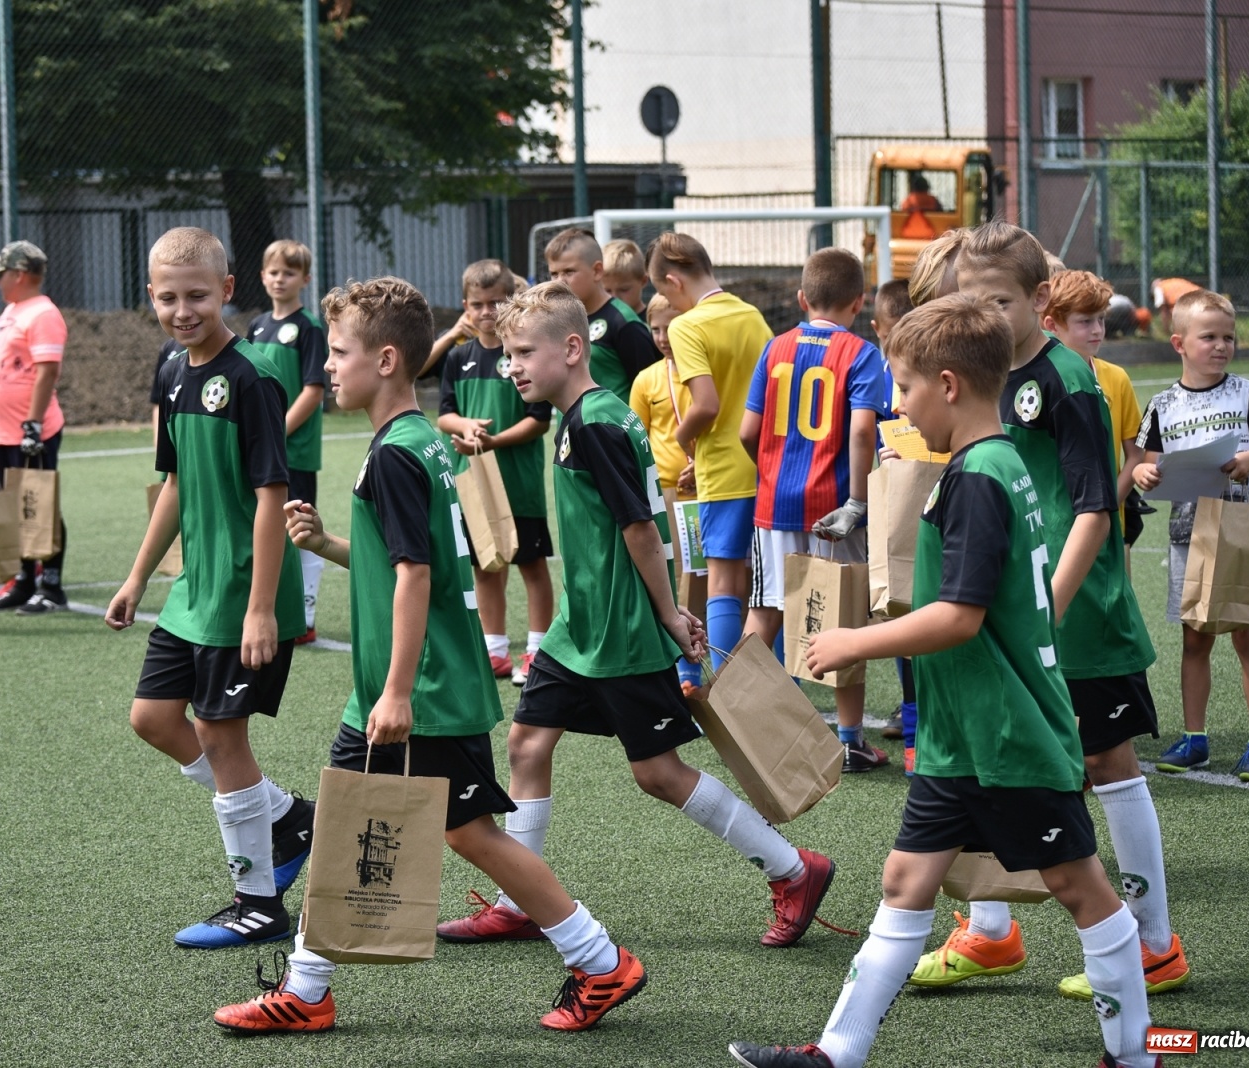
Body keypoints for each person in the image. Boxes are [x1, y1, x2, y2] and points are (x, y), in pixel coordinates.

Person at [727, 293, 1158, 1068]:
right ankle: (836, 1055)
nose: (898, 406)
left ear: (949, 385)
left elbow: (960, 616)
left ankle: (1133, 1055)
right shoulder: (988, 465)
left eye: (905, 389)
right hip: (963, 731)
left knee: (1078, 887)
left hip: (1008, 731)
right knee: (903, 880)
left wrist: (855, 637)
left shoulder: (979, 478)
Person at [221, 276, 646, 1035]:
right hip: (433, 684)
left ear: (386, 361)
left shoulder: (397, 453)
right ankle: (597, 960)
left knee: (365, 819)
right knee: (465, 832)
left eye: (341, 354)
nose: (327, 369)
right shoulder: (418, 441)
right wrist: (328, 545)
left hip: (417, 691)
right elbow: (406, 561)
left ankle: (309, 990)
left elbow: (417, 576)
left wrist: (394, 690)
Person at [442, 282, 838, 951]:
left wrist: (668, 615)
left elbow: (640, 531)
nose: (512, 367)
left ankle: (794, 869)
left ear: (572, 348)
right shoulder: (586, 416)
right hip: (580, 629)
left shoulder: (596, 421)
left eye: (523, 353)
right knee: (527, 744)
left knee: (657, 773)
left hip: (622, 632)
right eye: (507, 354)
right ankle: (519, 900)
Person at [928, 220, 1184, 1005]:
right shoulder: (981, 373)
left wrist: (1044, 608)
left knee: (1108, 765)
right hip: (1014, 615)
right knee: (991, 760)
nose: (983, 313)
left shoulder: (1069, 379)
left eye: (998, 299)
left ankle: (1153, 945)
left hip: (1079, 621)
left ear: (1039, 299)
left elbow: (1094, 512)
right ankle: (991, 930)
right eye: (970, 298)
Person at [106, 228, 314, 950]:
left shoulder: (253, 379)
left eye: (196, 295)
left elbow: (269, 496)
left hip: (239, 594)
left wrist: (261, 607)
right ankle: (287, 816)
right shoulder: (171, 370)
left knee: (223, 737)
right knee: (152, 719)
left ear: (228, 290)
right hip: (193, 592)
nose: (182, 310)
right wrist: (138, 576)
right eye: (167, 297)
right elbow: (172, 484)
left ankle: (257, 902)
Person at [739, 248, 888, 772]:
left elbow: (748, 432)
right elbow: (865, 428)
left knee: (766, 611)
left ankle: (748, 728)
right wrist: (857, 502)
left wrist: (774, 474)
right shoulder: (862, 353)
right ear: (859, 300)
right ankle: (849, 741)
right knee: (841, 617)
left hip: (776, 503)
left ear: (802, 299)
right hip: (835, 509)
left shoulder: (776, 349)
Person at [1133, 289, 1249, 783]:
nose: (1221, 346)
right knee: (1194, 640)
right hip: (1187, 532)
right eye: (1209, 337)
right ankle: (1194, 738)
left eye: (1228, 337)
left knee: (1248, 636)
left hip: (1238, 527)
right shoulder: (1162, 405)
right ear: (1179, 342)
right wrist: (1144, 477)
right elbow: (1146, 467)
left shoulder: (1246, 392)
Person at [648, 231, 773, 674]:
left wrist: (684, 443)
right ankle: (768, 683)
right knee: (760, 583)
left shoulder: (688, 325)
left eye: (663, 291)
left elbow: (706, 406)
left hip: (722, 466)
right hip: (766, 466)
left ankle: (720, 688)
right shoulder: (752, 316)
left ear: (672, 280)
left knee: (721, 579)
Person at [436, 258, 554, 683]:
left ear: (512, 302)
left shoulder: (521, 355)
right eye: (478, 304)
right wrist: (466, 428)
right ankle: (495, 650)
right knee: (486, 564)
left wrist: (496, 441)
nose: (487, 313)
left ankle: (538, 651)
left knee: (532, 565)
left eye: (496, 303)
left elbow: (539, 418)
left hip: (518, 485)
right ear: (465, 305)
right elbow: (445, 414)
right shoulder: (459, 357)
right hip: (475, 482)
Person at [0, 240, 70, 614]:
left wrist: (32, 423)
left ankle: (52, 585)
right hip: (2, 429)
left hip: (30, 429)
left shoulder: (42, 313)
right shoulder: (13, 310)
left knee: (38, 503)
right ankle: (23, 579)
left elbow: (47, 371)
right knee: (14, 505)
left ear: (19, 274)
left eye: (1, 274)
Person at [247, 240, 329, 644]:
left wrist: (274, 432)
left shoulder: (310, 327)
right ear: (262, 276)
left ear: (305, 279)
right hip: (260, 448)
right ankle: (272, 606)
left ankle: (306, 613)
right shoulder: (258, 326)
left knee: (299, 527)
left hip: (292, 450)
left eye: (290, 273)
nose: (281, 279)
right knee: (264, 524)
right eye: (274, 272)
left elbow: (314, 390)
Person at [1043, 271, 1146, 560]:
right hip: (1053, 527)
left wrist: (1108, 503)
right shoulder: (1041, 382)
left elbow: (1135, 455)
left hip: (1110, 528)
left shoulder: (1117, 378)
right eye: (1085, 321)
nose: (1097, 329)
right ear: (1052, 324)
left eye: (1101, 319)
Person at [631, 292, 701, 695]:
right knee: (677, 576)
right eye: (654, 328)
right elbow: (637, 440)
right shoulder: (647, 379)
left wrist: (702, 463)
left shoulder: (703, 373)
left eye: (670, 326)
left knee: (709, 577)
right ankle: (682, 671)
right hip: (668, 494)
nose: (661, 336)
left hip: (707, 488)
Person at [869, 278, 916, 749]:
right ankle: (911, 704)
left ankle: (922, 706)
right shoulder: (875, 372)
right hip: (891, 497)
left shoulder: (929, 365)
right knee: (899, 600)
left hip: (929, 493)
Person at [545, 227, 659, 397]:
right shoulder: (560, 320)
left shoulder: (623, 322)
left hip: (610, 424)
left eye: (569, 271)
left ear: (597, 271)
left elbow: (650, 392)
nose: (560, 281)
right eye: (554, 274)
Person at [602, 238, 649, 315]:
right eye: (607, 291)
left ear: (643, 281)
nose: (614, 297)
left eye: (623, 290)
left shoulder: (656, 323)